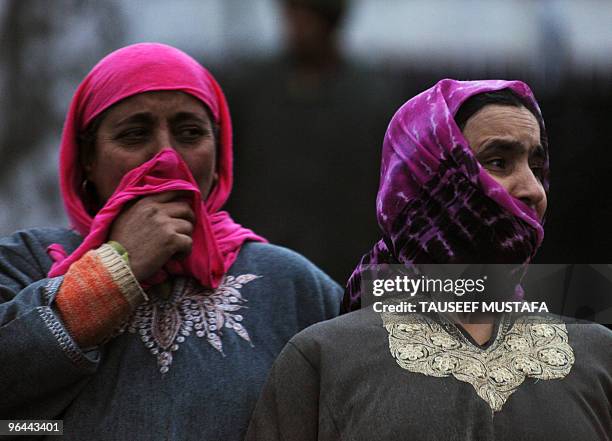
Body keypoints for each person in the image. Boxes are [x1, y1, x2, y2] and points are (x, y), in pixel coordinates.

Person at [0, 43, 342, 440]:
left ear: (219, 157)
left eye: (190, 133)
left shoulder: (291, 286)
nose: (166, 157)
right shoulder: (26, 264)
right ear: (87, 159)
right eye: (134, 134)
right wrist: (113, 270)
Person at [245, 79, 612, 441]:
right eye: (499, 161)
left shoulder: (598, 355)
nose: (532, 189)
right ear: (428, 179)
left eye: (536, 165)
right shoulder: (323, 359)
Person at [221, 0, 403, 285]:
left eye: (304, 17)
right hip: (262, 259)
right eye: (290, 14)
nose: (294, 27)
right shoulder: (251, 89)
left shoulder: (372, 97)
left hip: (343, 263)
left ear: (329, 23)